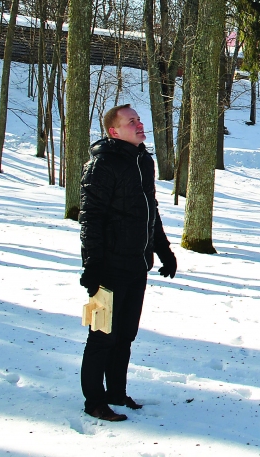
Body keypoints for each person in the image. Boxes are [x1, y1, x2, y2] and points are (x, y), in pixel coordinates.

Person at [78, 104, 177, 421]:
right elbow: (90, 219)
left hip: (137, 266)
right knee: (102, 335)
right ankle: (94, 402)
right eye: (131, 121)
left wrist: (163, 250)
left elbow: (151, 210)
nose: (139, 124)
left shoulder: (143, 161)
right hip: (107, 268)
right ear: (114, 131)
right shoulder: (102, 165)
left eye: (138, 119)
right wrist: (92, 266)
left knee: (125, 336)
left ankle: (116, 393)